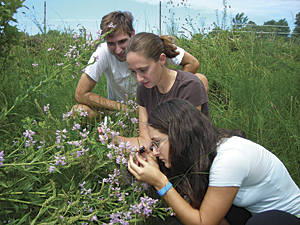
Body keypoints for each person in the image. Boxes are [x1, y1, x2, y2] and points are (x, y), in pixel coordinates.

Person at [128, 99, 300, 225]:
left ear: (179, 136)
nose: (155, 151)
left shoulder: (229, 159)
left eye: (157, 143)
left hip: (288, 218)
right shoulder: (205, 150)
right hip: (250, 211)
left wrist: (160, 182)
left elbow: (203, 223)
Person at [72, 11, 209, 121]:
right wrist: (123, 108)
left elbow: (192, 63)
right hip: (120, 112)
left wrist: (169, 93)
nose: (118, 50)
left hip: (156, 106)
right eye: (111, 43)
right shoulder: (103, 52)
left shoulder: (145, 45)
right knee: (78, 111)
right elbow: (80, 94)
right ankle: (108, 126)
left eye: (122, 42)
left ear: (133, 34)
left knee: (200, 80)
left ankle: (183, 123)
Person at [116, 32, 209, 148]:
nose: (139, 79)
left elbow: (186, 141)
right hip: (161, 153)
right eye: (133, 72)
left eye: (143, 70)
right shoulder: (143, 90)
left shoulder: (189, 86)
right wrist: (115, 140)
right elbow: (146, 140)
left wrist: (153, 163)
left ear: (161, 59)